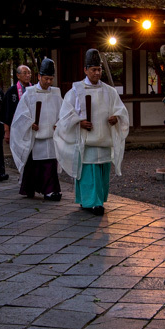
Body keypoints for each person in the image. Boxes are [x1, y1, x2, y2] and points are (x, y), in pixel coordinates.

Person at [55, 49, 129, 215]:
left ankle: (96, 200)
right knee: (88, 171)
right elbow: (65, 114)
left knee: (101, 171)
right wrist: (79, 122)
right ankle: (91, 202)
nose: (97, 73)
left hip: (103, 139)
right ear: (85, 70)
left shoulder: (110, 91)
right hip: (86, 140)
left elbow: (121, 110)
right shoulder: (75, 91)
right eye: (93, 69)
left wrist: (116, 118)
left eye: (99, 69)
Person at [9, 57, 63, 201]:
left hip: (51, 134)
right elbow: (21, 114)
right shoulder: (30, 92)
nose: (48, 82)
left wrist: (59, 122)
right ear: (39, 76)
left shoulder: (56, 93)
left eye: (51, 79)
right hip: (36, 136)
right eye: (46, 78)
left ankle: (51, 190)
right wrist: (29, 123)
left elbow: (62, 111)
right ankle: (31, 188)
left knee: (50, 164)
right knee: (35, 165)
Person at [2, 64, 32, 143]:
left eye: (29, 73)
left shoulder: (34, 89)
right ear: (18, 75)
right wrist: (7, 131)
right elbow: (6, 112)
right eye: (25, 73)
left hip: (32, 127)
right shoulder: (11, 91)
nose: (28, 75)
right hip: (16, 126)